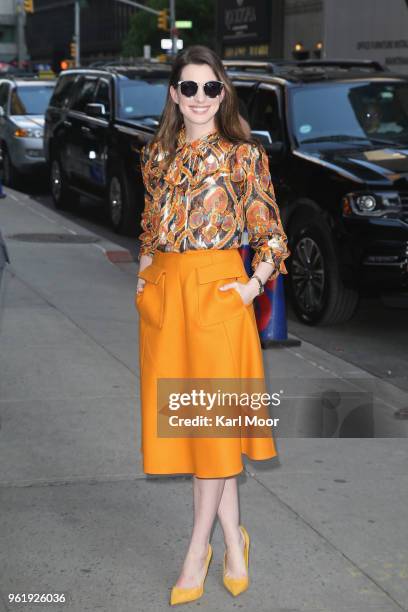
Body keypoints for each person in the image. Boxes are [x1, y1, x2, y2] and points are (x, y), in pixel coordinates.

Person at [135, 45, 290, 606]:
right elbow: (150, 229)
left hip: (220, 296)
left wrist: (251, 287)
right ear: (174, 95)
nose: (200, 98)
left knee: (215, 427)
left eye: (211, 88)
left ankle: (196, 550)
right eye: (189, 88)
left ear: (223, 95)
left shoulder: (244, 157)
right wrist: (144, 279)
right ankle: (235, 539)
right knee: (202, 430)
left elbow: (271, 236)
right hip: (167, 302)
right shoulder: (155, 154)